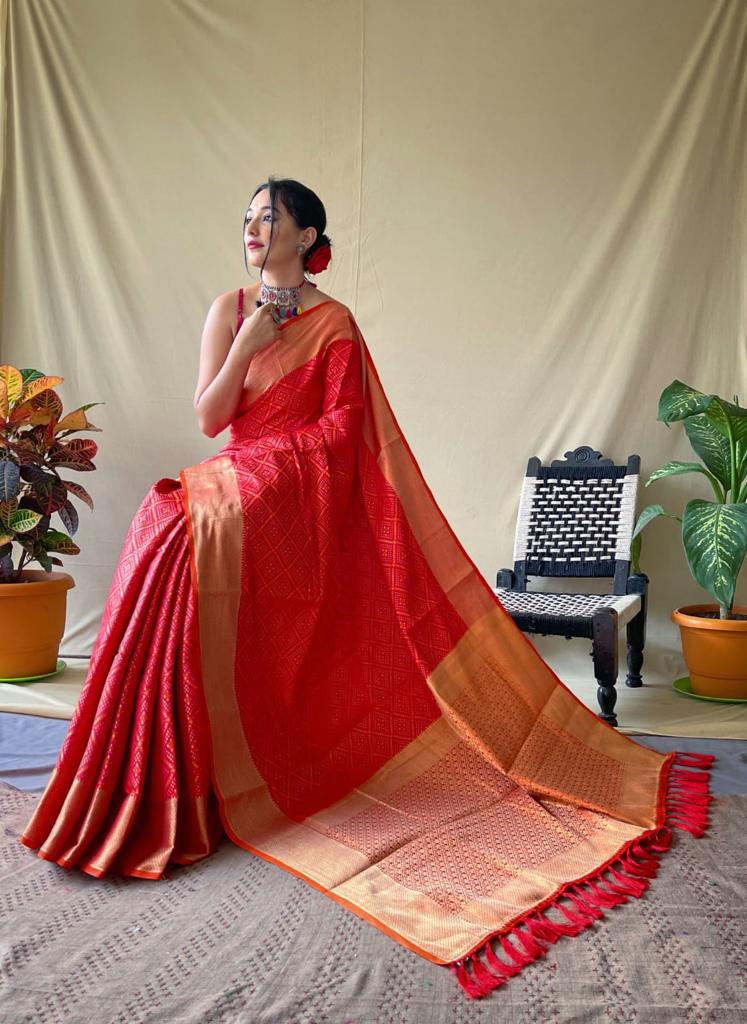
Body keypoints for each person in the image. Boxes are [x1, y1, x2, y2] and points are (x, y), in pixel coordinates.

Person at [19, 176, 713, 997]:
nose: (250, 228)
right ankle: (156, 782)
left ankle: (224, 774)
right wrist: (246, 345)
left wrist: (275, 471)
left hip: (291, 492)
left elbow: (344, 431)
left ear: (305, 231)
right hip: (239, 476)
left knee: (185, 528)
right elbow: (211, 418)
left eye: (266, 217)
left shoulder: (334, 325)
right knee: (162, 527)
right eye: (244, 217)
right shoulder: (227, 310)